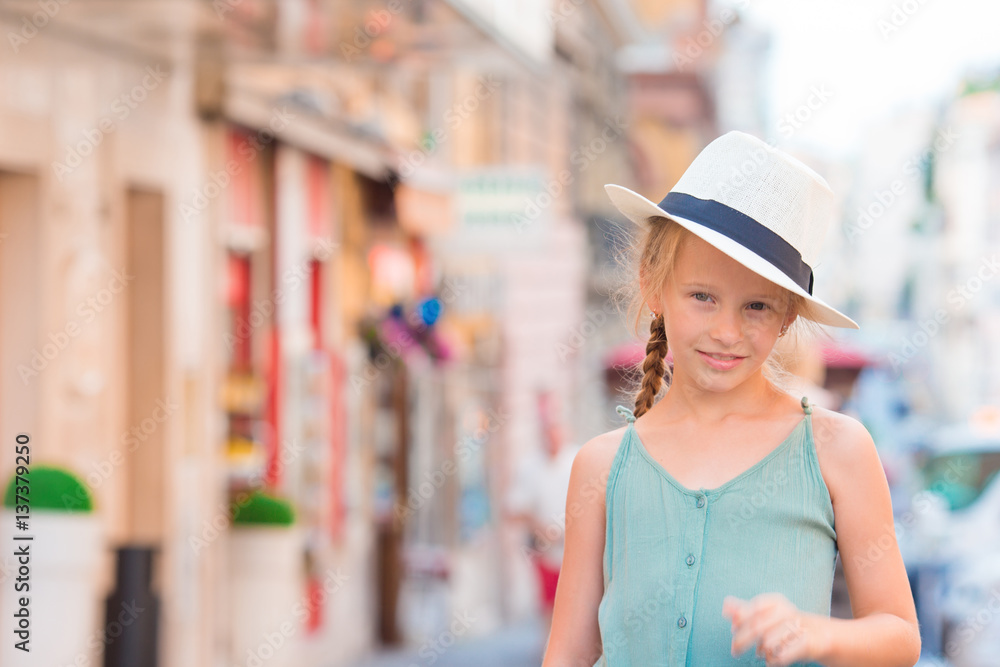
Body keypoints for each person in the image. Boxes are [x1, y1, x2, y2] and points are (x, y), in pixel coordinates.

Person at [542, 132, 920, 666]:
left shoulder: (837, 448)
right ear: (655, 284)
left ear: (788, 315)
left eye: (757, 307)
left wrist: (818, 633)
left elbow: (900, 635)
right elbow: (569, 655)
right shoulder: (602, 467)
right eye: (702, 297)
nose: (726, 331)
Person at [506, 393, 581, 629]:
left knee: (577, 604)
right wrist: (541, 528)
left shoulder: (578, 458)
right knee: (549, 606)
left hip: (576, 545)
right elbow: (513, 509)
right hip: (545, 550)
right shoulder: (530, 465)